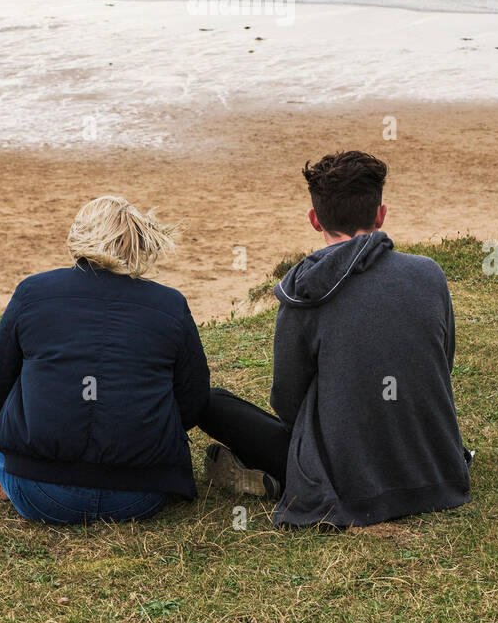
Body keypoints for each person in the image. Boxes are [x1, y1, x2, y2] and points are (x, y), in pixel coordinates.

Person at [199, 150, 472, 528]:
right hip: (434, 468)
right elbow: (443, 362)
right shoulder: (429, 274)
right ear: (380, 215)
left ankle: (267, 476)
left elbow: (286, 400)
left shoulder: (304, 291)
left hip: (346, 481)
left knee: (211, 402)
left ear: (314, 220)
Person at [0, 195, 210, 525]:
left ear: (79, 236)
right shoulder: (170, 304)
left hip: (43, 496)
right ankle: (14, 481)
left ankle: (10, 483)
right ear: (138, 241)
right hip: (140, 497)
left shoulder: (33, 291)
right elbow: (194, 402)